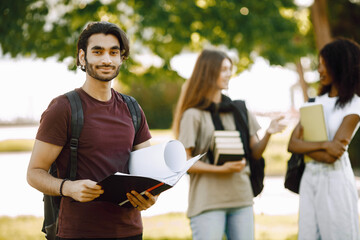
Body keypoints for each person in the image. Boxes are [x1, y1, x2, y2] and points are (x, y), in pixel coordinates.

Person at [27, 21, 158, 239]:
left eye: (113, 52)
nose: (106, 59)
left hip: (130, 232)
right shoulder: (63, 108)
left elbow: (150, 171)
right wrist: (68, 188)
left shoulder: (133, 108)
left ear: (121, 58)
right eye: (97, 52)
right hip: (77, 232)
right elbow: (33, 173)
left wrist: (151, 196)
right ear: (82, 57)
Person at [172, 49, 286, 240]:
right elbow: (185, 163)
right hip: (207, 201)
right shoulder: (193, 114)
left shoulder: (239, 110)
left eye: (229, 69)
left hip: (241, 197)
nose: (229, 74)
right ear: (209, 71)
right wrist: (222, 170)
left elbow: (255, 153)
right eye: (223, 69)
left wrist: (268, 133)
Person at [288, 38, 360, 240]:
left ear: (340, 65)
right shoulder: (314, 102)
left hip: (335, 182)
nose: (319, 70)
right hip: (309, 179)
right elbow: (292, 144)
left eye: (323, 64)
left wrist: (306, 147)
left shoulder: (354, 105)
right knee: (308, 235)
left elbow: (333, 156)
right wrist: (325, 144)